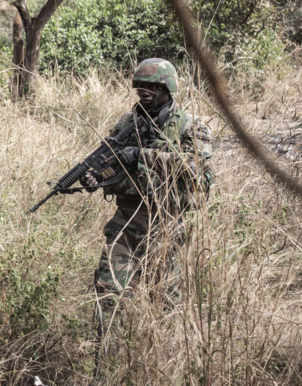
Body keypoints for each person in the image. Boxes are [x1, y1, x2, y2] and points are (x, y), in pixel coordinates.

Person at [81, 59, 213, 328]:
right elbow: (111, 162)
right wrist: (97, 177)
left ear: (168, 88)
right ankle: (105, 362)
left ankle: (162, 360)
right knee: (108, 294)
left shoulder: (190, 125)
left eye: (152, 86)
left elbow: (193, 169)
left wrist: (141, 155)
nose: (145, 91)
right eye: (140, 86)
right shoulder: (127, 123)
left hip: (165, 225)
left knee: (163, 301)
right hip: (126, 223)